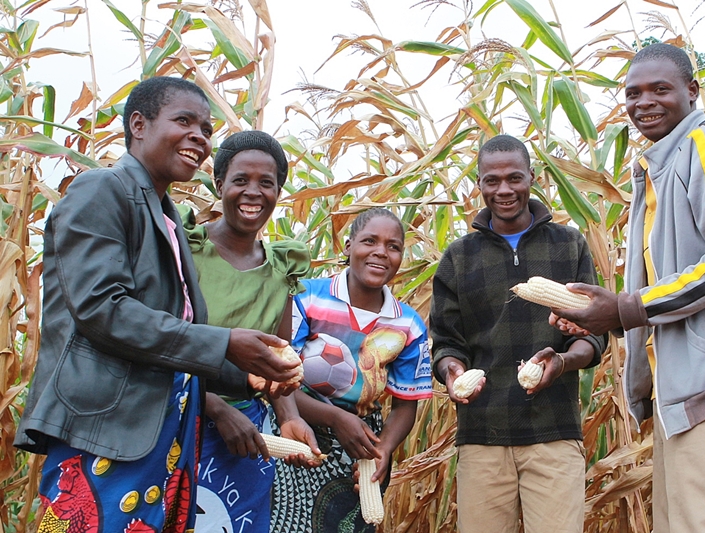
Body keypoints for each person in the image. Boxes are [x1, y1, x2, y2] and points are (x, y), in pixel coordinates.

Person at [15, 77, 300, 533]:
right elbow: (102, 310)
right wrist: (224, 342)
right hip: (106, 435)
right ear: (139, 125)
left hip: (164, 444)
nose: (200, 137)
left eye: (206, 129)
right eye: (184, 121)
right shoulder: (101, 191)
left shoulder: (165, 217)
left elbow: (168, 340)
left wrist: (248, 377)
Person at [551, 43, 705, 533]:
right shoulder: (658, 165)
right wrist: (604, 315)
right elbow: (667, 276)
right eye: (633, 93)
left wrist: (628, 308)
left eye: (661, 89)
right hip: (679, 386)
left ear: (692, 91)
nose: (644, 102)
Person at [429, 134, 607, 533]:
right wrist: (453, 372)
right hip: (482, 434)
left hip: (553, 431)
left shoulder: (568, 244)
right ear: (478, 184)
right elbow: (445, 342)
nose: (504, 190)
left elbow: (592, 334)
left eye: (514, 178)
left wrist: (561, 362)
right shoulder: (459, 256)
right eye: (492, 180)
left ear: (532, 176)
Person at [181, 130, 321, 533]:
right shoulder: (187, 251)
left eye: (267, 183)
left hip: (245, 436)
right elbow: (158, 342)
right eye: (240, 180)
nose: (253, 192)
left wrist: (289, 418)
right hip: (176, 420)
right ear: (219, 184)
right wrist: (215, 407)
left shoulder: (281, 270)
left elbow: (277, 364)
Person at [269, 208, 433, 533]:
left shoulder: (409, 325)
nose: (380, 253)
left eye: (393, 246)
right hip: (295, 426)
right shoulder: (306, 297)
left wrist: (383, 449)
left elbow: (405, 406)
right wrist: (334, 418)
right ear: (348, 246)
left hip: (360, 445)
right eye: (369, 241)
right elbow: (278, 379)